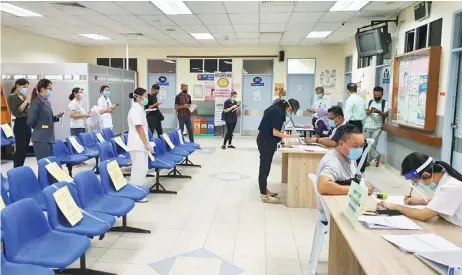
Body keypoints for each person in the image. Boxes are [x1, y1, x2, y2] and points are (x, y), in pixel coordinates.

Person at [378, 153, 462, 226]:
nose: (418, 185)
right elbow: (443, 201)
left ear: (425, 175)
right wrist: (419, 201)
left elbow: (422, 215)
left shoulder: (450, 187)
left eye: (416, 182)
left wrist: (396, 207)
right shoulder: (446, 179)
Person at [316, 125, 373, 219]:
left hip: (346, 204)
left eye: (362, 146)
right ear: (341, 144)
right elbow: (323, 186)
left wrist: (362, 187)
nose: (359, 149)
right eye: (355, 146)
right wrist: (356, 190)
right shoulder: (332, 162)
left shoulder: (349, 156)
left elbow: (350, 180)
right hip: (332, 212)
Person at [257, 98, 300, 203]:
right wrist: (289, 136)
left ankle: (264, 189)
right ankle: (263, 195)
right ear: (289, 108)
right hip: (266, 141)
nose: (290, 113)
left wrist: (282, 138)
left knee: (265, 167)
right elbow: (275, 132)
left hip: (264, 139)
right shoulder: (278, 112)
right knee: (264, 167)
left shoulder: (276, 108)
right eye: (292, 111)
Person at [27, 79, 64, 160]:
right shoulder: (36, 102)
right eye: (49, 89)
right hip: (41, 138)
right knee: (44, 164)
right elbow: (30, 121)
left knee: (50, 165)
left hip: (48, 138)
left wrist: (56, 117)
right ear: (42, 89)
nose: (51, 91)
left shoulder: (46, 101)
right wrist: (41, 127)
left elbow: (45, 119)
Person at [127, 88, 153, 202]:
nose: (146, 98)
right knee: (138, 169)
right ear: (138, 97)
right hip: (137, 144)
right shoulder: (135, 110)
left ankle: (137, 191)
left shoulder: (140, 108)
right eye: (145, 96)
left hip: (140, 143)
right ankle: (135, 194)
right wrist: (146, 143)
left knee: (143, 168)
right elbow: (139, 127)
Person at [7, 78, 32, 167]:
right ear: (18, 86)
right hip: (20, 124)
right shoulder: (12, 97)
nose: (25, 89)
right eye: (24, 87)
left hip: (27, 124)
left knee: (25, 149)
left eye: (27, 87)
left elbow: (27, 110)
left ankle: (21, 167)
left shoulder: (23, 96)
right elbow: (17, 112)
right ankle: (17, 168)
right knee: (20, 149)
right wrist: (26, 101)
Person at [363, 86, 388, 167]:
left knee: (373, 144)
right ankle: (376, 156)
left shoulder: (385, 103)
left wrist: (379, 112)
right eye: (375, 95)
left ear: (382, 94)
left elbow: (385, 115)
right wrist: (370, 111)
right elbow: (366, 112)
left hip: (377, 127)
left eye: (378, 95)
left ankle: (368, 161)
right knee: (366, 143)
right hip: (368, 125)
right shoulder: (370, 102)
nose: (376, 97)